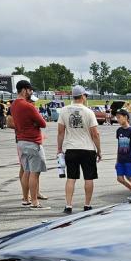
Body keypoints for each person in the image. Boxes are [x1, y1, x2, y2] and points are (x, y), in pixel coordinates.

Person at [56, 85, 101, 214]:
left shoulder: (64, 111)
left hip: (71, 148)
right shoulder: (88, 112)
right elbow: (95, 134)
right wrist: (99, 150)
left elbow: (60, 132)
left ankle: (68, 205)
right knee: (88, 178)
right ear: (82, 96)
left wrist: (59, 149)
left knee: (71, 178)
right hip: (87, 149)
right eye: (85, 95)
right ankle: (87, 205)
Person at [9, 79, 48, 208]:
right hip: (32, 141)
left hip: (21, 141)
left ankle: (26, 199)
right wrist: (34, 123)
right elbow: (43, 123)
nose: (31, 92)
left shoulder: (14, 104)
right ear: (24, 90)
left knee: (26, 171)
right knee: (35, 173)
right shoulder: (28, 106)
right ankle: (35, 201)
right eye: (30, 90)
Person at [113, 109, 131, 193]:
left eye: (119, 117)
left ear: (125, 117)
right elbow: (119, 146)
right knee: (120, 178)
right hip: (121, 160)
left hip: (130, 159)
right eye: (117, 118)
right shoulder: (119, 131)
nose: (117, 120)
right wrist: (117, 161)